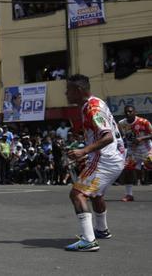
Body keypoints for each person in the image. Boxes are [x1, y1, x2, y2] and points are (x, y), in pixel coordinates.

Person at [64, 74, 125, 252]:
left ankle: (89, 240)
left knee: (77, 194)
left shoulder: (92, 108)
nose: (66, 93)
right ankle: (102, 230)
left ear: (78, 90)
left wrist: (84, 151)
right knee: (96, 194)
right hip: (113, 157)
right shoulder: (96, 102)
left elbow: (108, 136)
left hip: (105, 159)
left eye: (68, 90)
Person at [118, 105, 152, 202]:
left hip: (146, 149)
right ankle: (129, 195)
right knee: (128, 169)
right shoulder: (121, 123)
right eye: (126, 112)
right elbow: (119, 136)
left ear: (135, 112)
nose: (128, 114)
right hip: (132, 151)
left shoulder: (143, 122)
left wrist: (142, 138)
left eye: (130, 111)